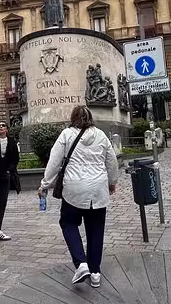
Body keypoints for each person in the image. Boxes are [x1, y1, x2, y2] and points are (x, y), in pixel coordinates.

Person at [38, 106, 118, 289]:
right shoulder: (101, 135)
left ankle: (81, 263)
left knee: (68, 223)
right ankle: (95, 273)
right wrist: (112, 182)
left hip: (74, 189)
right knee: (96, 230)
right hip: (98, 189)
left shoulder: (66, 135)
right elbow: (111, 161)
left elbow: (54, 161)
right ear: (90, 117)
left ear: (73, 118)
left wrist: (44, 184)